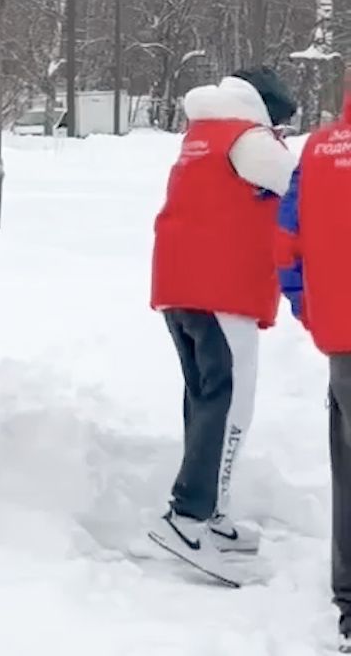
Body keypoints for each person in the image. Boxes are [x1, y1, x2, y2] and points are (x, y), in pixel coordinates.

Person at [148, 67, 296, 578]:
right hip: (222, 288)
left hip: (182, 287)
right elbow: (303, 188)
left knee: (205, 398)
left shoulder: (203, 135)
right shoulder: (250, 139)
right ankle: (187, 519)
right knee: (230, 402)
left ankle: (209, 514)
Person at [277, 88, 351, 649]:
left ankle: (349, 598)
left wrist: (309, 304)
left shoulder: (320, 148)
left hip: (341, 333)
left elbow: (286, 237)